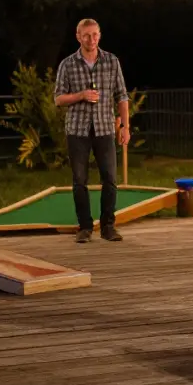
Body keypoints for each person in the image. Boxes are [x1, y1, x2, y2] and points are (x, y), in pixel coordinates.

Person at [53, 18, 129, 243]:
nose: (91, 39)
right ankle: (85, 227)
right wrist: (81, 95)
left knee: (110, 179)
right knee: (79, 180)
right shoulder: (67, 64)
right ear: (78, 37)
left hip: (105, 128)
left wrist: (125, 126)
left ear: (100, 35)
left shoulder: (111, 61)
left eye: (95, 34)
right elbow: (58, 99)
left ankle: (108, 226)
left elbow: (122, 96)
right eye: (86, 35)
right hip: (77, 130)